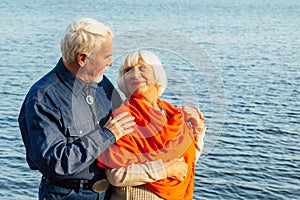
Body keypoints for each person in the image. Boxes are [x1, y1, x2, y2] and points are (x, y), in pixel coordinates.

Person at [18, 18, 137, 200]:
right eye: (106, 57)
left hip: (109, 193)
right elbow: (55, 162)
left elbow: (126, 120)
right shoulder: (42, 99)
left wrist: (173, 114)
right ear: (82, 59)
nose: (111, 63)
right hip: (68, 195)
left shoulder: (102, 83)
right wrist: (107, 134)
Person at [97, 50, 206, 200]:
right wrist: (165, 170)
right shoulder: (124, 117)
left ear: (157, 74)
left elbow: (185, 161)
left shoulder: (173, 114)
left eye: (142, 67)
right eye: (128, 70)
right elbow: (116, 175)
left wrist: (198, 132)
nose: (135, 74)